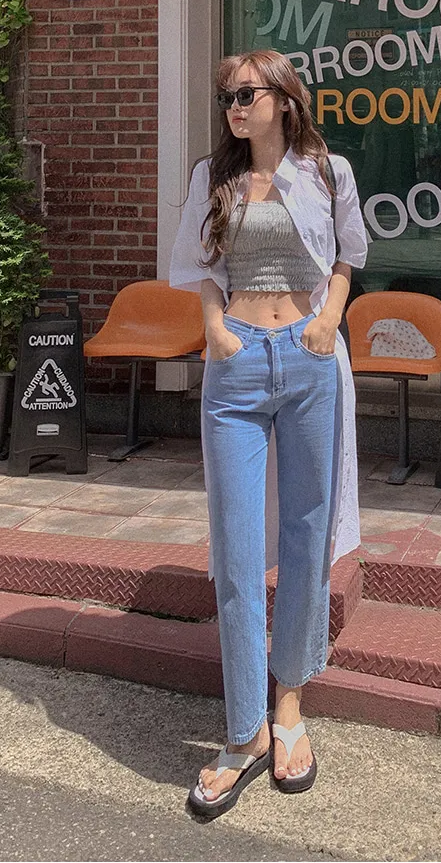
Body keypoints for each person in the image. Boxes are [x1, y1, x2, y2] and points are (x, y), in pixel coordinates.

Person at [169, 49, 367, 819]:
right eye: (227, 95)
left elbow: (348, 254)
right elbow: (197, 266)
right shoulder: (211, 178)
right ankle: (244, 729)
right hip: (239, 363)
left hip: (310, 357)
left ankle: (289, 706)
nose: (234, 106)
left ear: (284, 99)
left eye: (247, 93)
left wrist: (328, 320)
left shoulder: (327, 173)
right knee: (236, 545)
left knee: (307, 533)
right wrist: (217, 329)